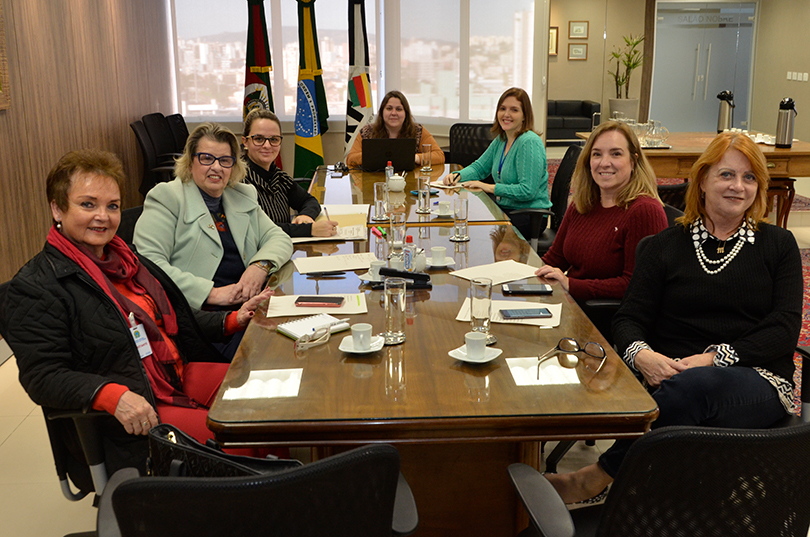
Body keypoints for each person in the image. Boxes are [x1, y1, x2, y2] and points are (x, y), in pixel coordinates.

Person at [545, 132, 803, 504]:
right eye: (726, 175)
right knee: (682, 393)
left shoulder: (778, 245)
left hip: (755, 378)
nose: (738, 186)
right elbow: (629, 318)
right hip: (668, 372)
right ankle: (666, 505)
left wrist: (713, 359)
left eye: (749, 178)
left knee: (692, 387)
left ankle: (597, 477)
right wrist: (642, 356)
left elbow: (782, 330)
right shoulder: (662, 246)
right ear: (702, 181)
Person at [4, 149, 274, 476]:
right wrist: (111, 396)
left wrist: (233, 319)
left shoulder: (128, 260)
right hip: (128, 411)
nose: (103, 216)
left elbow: (174, 319)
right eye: (88, 204)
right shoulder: (37, 285)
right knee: (243, 438)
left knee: (270, 405)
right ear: (57, 208)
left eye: (112, 206)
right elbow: (43, 377)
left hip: (171, 377)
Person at [134, 122, 292, 312]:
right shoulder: (167, 197)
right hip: (201, 315)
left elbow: (279, 237)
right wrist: (212, 293)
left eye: (225, 160)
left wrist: (260, 266)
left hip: (249, 304)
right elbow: (148, 264)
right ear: (190, 162)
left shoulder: (242, 194)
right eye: (207, 158)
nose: (216, 167)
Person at [534, 121, 667, 337]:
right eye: (596, 154)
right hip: (570, 308)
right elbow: (554, 259)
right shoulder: (583, 203)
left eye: (616, 154)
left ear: (633, 161)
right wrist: (518, 280)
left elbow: (635, 286)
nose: (604, 163)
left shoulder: (644, 211)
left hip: (604, 322)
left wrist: (570, 284)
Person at [442, 87, 550, 240]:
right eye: (503, 109)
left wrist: (489, 187)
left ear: (525, 115)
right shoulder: (502, 140)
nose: (506, 114)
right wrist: (457, 176)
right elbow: (480, 168)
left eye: (514, 110)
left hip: (528, 215)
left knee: (474, 232)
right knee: (461, 219)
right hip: (507, 208)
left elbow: (527, 191)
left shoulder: (529, 142)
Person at [242, 109, 338, 238]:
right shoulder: (238, 180)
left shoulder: (278, 177)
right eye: (258, 139)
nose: (267, 145)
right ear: (245, 142)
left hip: (282, 248)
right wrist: (307, 230)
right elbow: (254, 228)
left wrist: (306, 215)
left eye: (274, 139)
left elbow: (308, 200)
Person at [346, 90, 445, 169]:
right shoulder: (367, 131)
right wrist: (375, 155)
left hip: (409, 183)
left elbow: (439, 156)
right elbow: (351, 159)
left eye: (398, 109)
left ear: (405, 113)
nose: (394, 113)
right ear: (382, 112)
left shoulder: (418, 130)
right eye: (389, 108)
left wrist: (415, 157)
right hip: (375, 183)